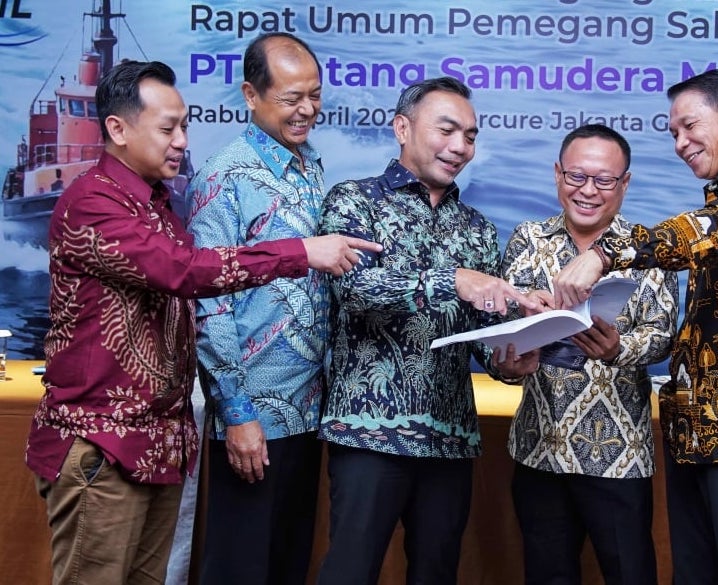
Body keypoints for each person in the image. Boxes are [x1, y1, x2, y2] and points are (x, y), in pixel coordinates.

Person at [24, 59, 380, 585]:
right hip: (103, 444)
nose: (182, 142)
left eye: (185, 126)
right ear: (117, 129)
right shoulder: (94, 202)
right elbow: (184, 271)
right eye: (168, 129)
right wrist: (300, 252)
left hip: (156, 444)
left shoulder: (157, 203)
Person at [552, 69, 718, 585]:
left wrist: (603, 254)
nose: (680, 143)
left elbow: (702, 233)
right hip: (694, 427)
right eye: (673, 132)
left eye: (689, 126)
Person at [316, 76, 541, 585]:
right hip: (368, 432)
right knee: (350, 572)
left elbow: (482, 333)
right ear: (402, 128)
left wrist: (509, 360)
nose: (460, 146)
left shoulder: (477, 228)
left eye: (471, 136)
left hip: (450, 438)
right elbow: (355, 290)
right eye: (447, 130)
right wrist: (452, 279)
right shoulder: (354, 202)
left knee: (437, 573)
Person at [501, 124, 679, 585]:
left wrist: (620, 348)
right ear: (557, 174)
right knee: (546, 576)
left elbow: (662, 336)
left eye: (604, 180)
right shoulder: (528, 239)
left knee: (630, 574)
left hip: (619, 453)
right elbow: (501, 333)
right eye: (577, 176)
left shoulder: (647, 249)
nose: (588, 191)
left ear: (625, 183)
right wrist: (507, 362)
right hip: (539, 448)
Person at [185, 32, 330, 585]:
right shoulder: (224, 176)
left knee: (289, 564)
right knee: (240, 568)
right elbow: (210, 305)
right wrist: (238, 415)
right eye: (292, 98)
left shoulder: (310, 165)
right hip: (253, 420)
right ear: (251, 95)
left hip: (307, 412)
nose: (307, 109)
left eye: (314, 95)